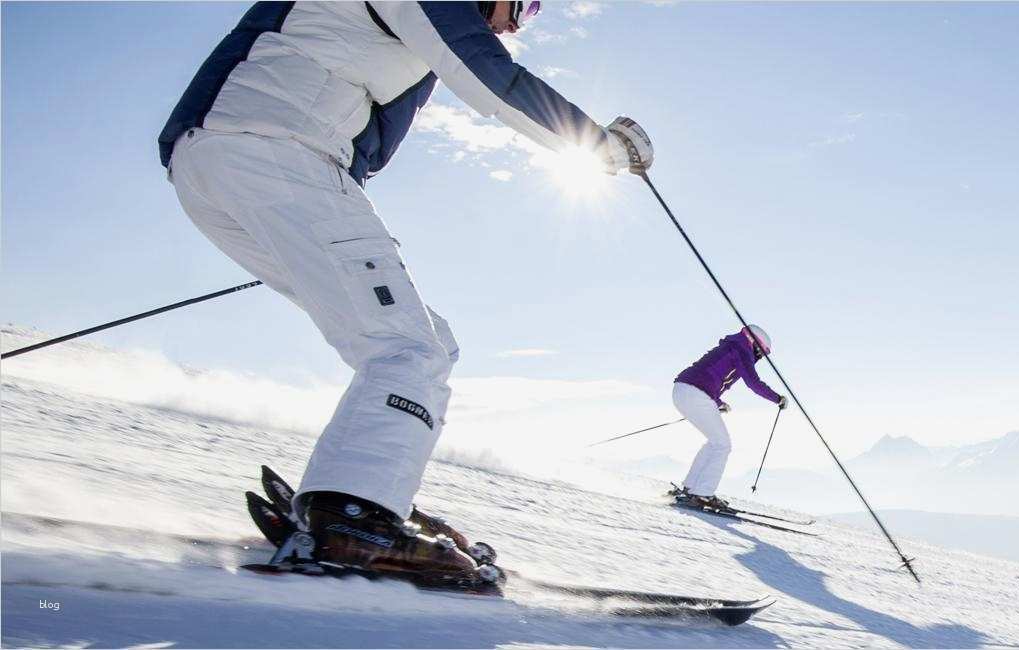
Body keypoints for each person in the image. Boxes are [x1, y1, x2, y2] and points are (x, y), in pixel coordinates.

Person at [159, 1, 653, 581]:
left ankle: (367, 491)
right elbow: (486, 72)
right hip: (274, 153)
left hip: (240, 161)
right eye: (524, 3)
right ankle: (353, 516)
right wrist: (597, 144)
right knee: (409, 349)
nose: (518, 23)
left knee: (430, 340)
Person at [669, 325, 787, 512]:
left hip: (684, 390)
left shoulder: (732, 346)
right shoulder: (742, 349)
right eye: (761, 353)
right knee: (722, 445)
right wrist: (777, 398)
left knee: (715, 442)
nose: (759, 357)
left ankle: (691, 487)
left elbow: (710, 374)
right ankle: (702, 493)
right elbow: (753, 383)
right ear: (755, 345)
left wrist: (717, 402)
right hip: (696, 393)